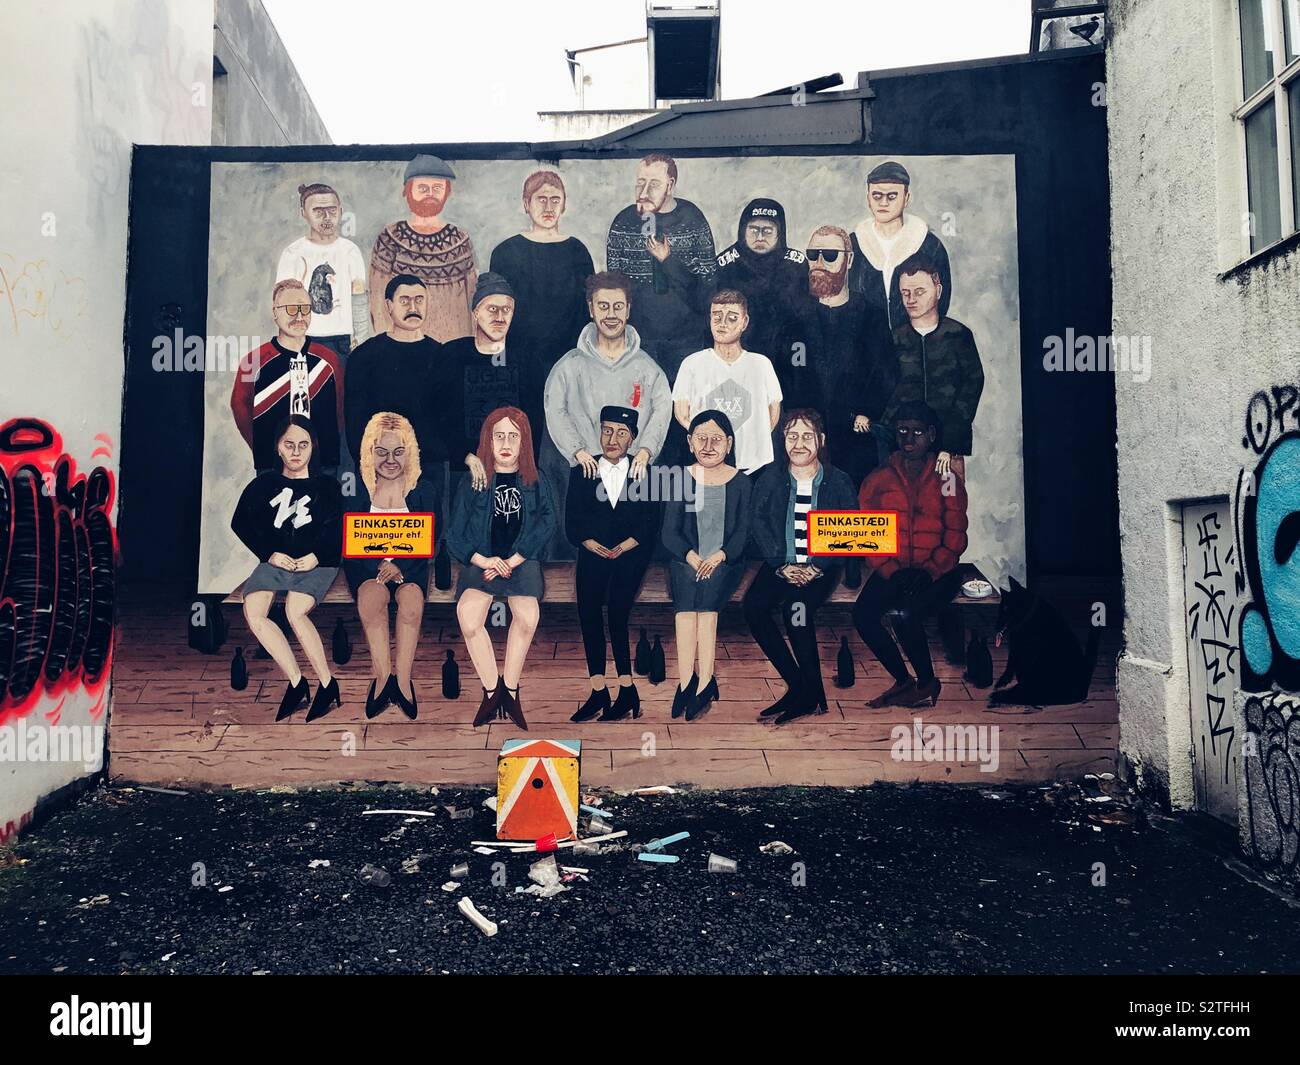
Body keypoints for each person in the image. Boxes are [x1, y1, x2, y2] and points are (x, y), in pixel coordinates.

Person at [745, 409, 859, 724]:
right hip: (782, 561)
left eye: (807, 435)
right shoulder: (771, 477)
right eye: (791, 436)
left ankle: (810, 695)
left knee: (796, 609)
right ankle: (801, 687)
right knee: (753, 606)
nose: (799, 443)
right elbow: (757, 524)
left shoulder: (839, 481)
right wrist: (781, 564)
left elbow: (849, 530)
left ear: (820, 440)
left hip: (821, 564)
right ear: (782, 441)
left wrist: (817, 566)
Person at [853, 401, 969, 708]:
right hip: (895, 568)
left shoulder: (946, 481)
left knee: (905, 615)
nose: (909, 438)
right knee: (863, 615)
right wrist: (891, 570)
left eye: (917, 432)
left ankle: (927, 682)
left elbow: (955, 537)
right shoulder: (878, 479)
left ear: (931, 435)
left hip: (937, 572)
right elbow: (868, 535)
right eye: (902, 430)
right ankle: (904, 681)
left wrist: (930, 571)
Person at [446, 407, 556, 731]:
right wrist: (484, 560)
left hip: (520, 562)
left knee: (528, 617)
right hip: (483, 562)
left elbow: (548, 521)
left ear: (524, 442)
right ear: (488, 440)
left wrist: (515, 559)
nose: (506, 443)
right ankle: (493, 690)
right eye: (499, 436)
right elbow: (454, 534)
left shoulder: (536, 479)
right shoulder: (475, 480)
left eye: (513, 435)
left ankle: (510, 687)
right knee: (468, 618)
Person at [230, 416, 343, 722]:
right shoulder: (264, 484)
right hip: (278, 561)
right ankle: (296, 682)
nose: (296, 452)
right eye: (289, 444)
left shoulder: (327, 486)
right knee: (253, 610)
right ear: (278, 448)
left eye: (303, 445)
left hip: (316, 563)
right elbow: (240, 522)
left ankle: (327, 684)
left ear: (313, 448)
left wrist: (316, 556)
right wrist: (270, 554)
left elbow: (338, 532)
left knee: (295, 611)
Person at [566, 406, 661, 723]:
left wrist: (626, 545)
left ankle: (626, 689)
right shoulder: (582, 470)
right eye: (607, 430)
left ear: (632, 438)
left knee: (618, 616)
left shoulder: (645, 471)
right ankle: (598, 692)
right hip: (592, 555)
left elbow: (651, 524)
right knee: (589, 616)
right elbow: (572, 523)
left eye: (621, 433)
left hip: (629, 556)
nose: (612, 438)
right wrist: (589, 542)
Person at [342, 412, 437, 721]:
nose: (390, 460)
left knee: (410, 602)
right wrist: (380, 563)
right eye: (382, 451)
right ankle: (382, 679)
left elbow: (434, 539)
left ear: (409, 452)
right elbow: (348, 542)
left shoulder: (424, 491)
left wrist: (400, 567)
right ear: (370, 452)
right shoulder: (356, 490)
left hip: (411, 569)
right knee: (371, 600)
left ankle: (404, 681)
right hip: (367, 569)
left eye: (398, 451)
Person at [489, 170, 595, 445]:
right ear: (526, 203)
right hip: (520, 359)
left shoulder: (577, 251)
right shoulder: (506, 253)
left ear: (564, 204)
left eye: (555, 199)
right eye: (541, 199)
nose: (548, 207)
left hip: (566, 358)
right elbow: (496, 313)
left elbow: (586, 314)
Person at [661, 410, 752, 722]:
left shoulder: (741, 482)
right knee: (686, 605)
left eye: (716, 439)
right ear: (689, 442)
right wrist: (691, 556)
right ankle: (685, 680)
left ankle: (705, 680)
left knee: (708, 602)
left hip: (725, 560)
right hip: (688, 558)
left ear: (728, 443)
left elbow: (743, 533)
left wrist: (720, 556)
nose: (708, 445)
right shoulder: (680, 478)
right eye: (701, 438)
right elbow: (669, 533)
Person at [544, 270, 672, 481]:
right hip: (585, 473)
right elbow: (555, 410)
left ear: (628, 310)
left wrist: (645, 451)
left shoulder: (649, 369)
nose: (611, 315)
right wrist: (578, 451)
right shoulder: (568, 367)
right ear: (591, 309)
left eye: (618, 307)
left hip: (633, 476)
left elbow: (662, 411)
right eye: (603, 306)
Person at [606, 153, 716, 383]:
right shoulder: (623, 222)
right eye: (640, 183)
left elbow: (708, 289)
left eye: (654, 184)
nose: (644, 192)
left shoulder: (692, 220)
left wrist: (669, 261)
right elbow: (615, 289)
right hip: (637, 341)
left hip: (686, 341)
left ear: (671, 185)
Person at [804, 224, 898, 488]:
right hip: (807, 442)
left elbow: (887, 373)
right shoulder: (795, 319)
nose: (819, 262)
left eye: (831, 255)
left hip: (857, 440)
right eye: (813, 254)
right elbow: (783, 377)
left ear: (850, 259)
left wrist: (867, 412)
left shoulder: (872, 316)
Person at [344, 275, 444, 512]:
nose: (413, 308)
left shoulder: (443, 357)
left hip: (430, 475)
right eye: (405, 300)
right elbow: (355, 427)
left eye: (419, 300)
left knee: (429, 546)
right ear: (389, 306)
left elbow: (447, 421)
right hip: (377, 475)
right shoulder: (364, 357)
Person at [881, 254, 985, 480]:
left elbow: (971, 389)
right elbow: (884, 391)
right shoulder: (893, 339)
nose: (911, 299)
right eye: (905, 293)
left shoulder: (958, 336)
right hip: (901, 449)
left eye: (919, 292)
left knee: (950, 509)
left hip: (947, 449)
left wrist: (949, 444)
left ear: (938, 291)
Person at [231, 279, 344, 476]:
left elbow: (340, 409)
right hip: (272, 464)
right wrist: (263, 444)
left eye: (305, 308)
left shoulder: (329, 359)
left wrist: (321, 444)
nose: (299, 316)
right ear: (275, 312)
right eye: (291, 309)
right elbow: (239, 406)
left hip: (323, 463)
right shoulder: (255, 361)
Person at [713, 197, 819, 408]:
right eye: (754, 230)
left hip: (787, 359)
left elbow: (807, 320)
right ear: (743, 230)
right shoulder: (725, 265)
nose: (760, 237)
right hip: (740, 355)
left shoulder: (796, 265)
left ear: (780, 232)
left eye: (767, 231)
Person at [672, 290, 783, 476]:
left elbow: (773, 413)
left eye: (732, 318)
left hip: (755, 467)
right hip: (709, 468)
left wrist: (753, 440)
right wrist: (710, 443)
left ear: (744, 322)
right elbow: (681, 413)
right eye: (716, 317)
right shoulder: (692, 364)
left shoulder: (761, 364)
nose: (722, 324)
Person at [369, 154, 477, 342]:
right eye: (423, 188)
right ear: (407, 191)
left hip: (452, 347)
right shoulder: (390, 238)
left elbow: (473, 299)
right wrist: (387, 346)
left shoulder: (460, 240)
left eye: (437, 188)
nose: (430, 194)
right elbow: (379, 302)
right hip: (405, 346)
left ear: (447, 192)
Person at [438, 273, 526, 494]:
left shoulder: (525, 360)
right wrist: (464, 454)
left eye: (506, 310)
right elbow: (438, 416)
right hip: (464, 469)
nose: (500, 316)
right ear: (476, 313)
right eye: (492, 309)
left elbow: (532, 422)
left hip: (512, 470)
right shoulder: (452, 356)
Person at [847, 160, 952, 329]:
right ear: (868, 198)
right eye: (877, 196)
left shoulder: (929, 245)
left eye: (892, 196)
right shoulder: (853, 244)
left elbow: (942, 298)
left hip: (914, 342)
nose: (883, 203)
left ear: (906, 198)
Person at [275, 182, 370, 363]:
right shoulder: (293, 253)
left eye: (332, 211)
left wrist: (362, 342)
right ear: (304, 213)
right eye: (318, 211)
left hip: (343, 342)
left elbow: (359, 298)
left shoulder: (350, 251)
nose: (327, 217)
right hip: (302, 339)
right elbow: (282, 304)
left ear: (341, 211)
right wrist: (287, 344)